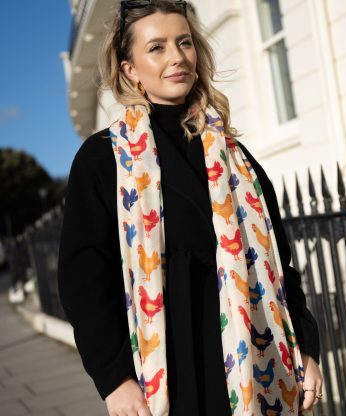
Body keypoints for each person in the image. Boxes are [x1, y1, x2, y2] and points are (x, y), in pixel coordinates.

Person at [57, 1, 323, 415]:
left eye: (184, 42)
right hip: (169, 374)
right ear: (130, 69)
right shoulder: (103, 159)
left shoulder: (236, 157)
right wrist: (115, 380)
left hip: (254, 362)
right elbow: (84, 280)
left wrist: (306, 348)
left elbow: (279, 263)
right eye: (157, 47)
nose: (176, 57)